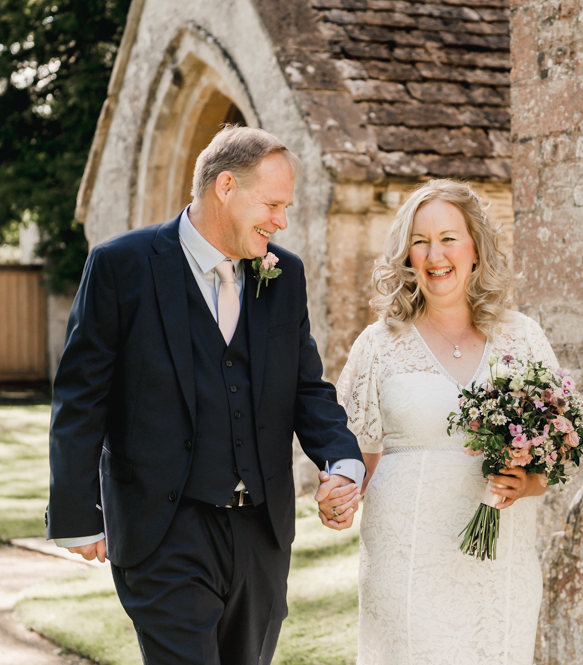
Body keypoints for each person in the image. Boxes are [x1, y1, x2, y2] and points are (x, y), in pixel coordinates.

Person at [46, 126, 364, 665]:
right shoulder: (122, 266)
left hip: (261, 534)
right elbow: (81, 397)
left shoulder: (283, 275)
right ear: (225, 187)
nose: (281, 221)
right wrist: (77, 512)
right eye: (272, 204)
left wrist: (343, 462)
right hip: (162, 531)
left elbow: (306, 386)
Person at [336, 179, 558, 664]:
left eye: (448, 238)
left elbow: (551, 461)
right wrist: (338, 492)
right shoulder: (379, 345)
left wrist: (525, 481)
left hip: (501, 560)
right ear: (407, 256)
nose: (435, 254)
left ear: (476, 248)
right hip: (408, 557)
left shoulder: (523, 338)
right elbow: (353, 458)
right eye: (420, 241)